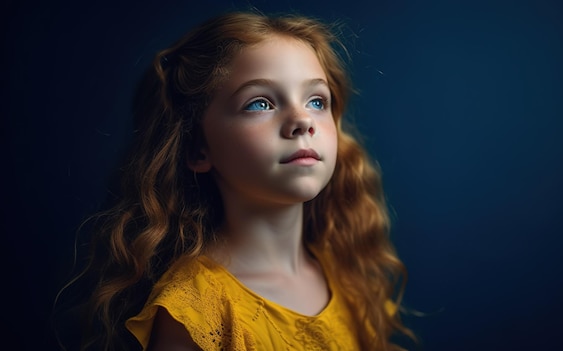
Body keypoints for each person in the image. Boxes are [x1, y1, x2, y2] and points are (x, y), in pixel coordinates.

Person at [56, 10, 416, 351]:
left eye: (317, 101)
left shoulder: (349, 276)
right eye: (260, 103)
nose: (302, 121)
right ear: (198, 148)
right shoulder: (196, 309)